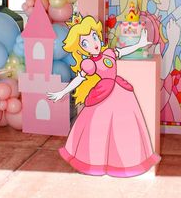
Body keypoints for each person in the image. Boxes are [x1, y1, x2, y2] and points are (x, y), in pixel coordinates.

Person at [47, 15, 160, 178]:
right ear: (81, 48)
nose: (93, 43)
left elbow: (122, 51)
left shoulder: (108, 52)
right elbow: (79, 79)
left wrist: (139, 44)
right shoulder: (89, 63)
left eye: (94, 36)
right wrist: (63, 92)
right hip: (102, 95)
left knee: (124, 128)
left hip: (120, 92)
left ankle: (124, 161)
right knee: (98, 129)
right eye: (85, 43)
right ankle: (97, 162)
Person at [114, 0, 181, 124]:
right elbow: (160, 72)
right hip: (156, 95)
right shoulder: (146, 24)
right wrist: (174, 42)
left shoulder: (151, 20)